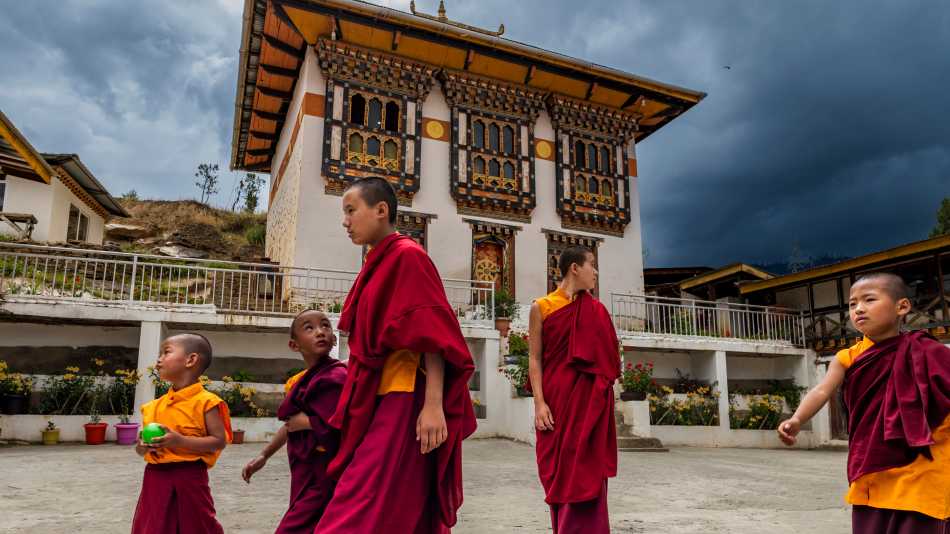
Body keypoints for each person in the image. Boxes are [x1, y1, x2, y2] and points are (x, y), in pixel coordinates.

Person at [313, 176, 477, 533]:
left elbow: (432, 334)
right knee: (398, 503)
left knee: (358, 502)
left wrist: (433, 405)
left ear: (381, 210)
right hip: (379, 395)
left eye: (351, 210)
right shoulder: (377, 262)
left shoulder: (408, 257)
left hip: (406, 399)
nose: (345, 221)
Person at [778, 273, 950, 533]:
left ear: (902, 307)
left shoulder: (928, 351)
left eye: (869, 300)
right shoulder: (847, 357)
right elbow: (822, 390)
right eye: (852, 304)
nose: (858, 309)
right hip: (873, 462)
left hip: (925, 461)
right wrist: (797, 419)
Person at [527, 246, 620, 534]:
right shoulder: (542, 307)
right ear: (574, 269)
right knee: (560, 471)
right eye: (592, 265)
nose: (596, 272)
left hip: (587, 407)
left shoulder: (596, 311)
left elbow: (609, 363)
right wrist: (539, 403)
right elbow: (534, 358)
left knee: (586, 472)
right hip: (556, 403)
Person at [241, 309, 347, 533]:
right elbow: (291, 424)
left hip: (326, 471)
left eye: (325, 326)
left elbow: (347, 424)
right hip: (304, 470)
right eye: (309, 328)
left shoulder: (337, 376)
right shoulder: (301, 381)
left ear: (334, 339)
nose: (320, 332)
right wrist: (264, 455)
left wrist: (309, 423)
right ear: (294, 345)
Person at [132, 333, 231, 534]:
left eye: (166, 352)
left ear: (191, 360)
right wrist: (142, 447)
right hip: (155, 478)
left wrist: (179, 440)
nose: (159, 359)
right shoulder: (153, 406)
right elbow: (140, 450)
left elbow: (219, 441)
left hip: (190, 476)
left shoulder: (206, 402)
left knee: (196, 524)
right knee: (154, 526)